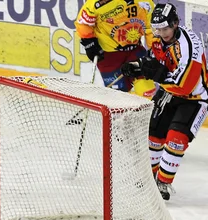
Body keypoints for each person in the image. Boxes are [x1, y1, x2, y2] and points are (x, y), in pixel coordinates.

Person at [121, 3, 208, 200]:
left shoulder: (189, 46)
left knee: (176, 139)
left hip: (195, 98)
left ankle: (163, 182)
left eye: (165, 28)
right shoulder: (160, 39)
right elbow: (156, 61)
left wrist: (157, 75)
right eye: (157, 29)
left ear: (175, 23)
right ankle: (151, 176)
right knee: (153, 134)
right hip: (170, 93)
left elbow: (185, 86)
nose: (161, 33)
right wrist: (138, 67)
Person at [75, 0, 157, 97]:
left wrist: (155, 51)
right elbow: (83, 23)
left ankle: (145, 111)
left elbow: (152, 28)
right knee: (118, 97)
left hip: (134, 50)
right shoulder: (97, 3)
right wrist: (90, 43)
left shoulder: (145, 2)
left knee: (146, 90)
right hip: (108, 56)